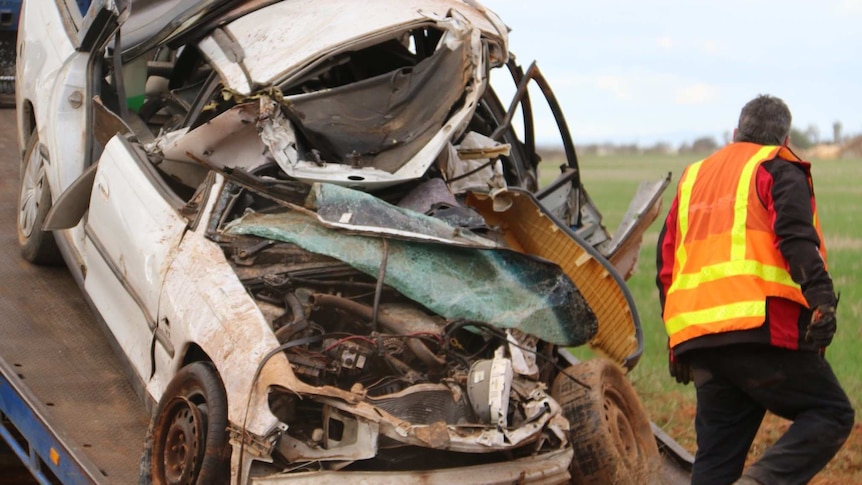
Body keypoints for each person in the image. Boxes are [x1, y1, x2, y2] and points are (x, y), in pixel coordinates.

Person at [655, 94, 854, 485]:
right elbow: (795, 237)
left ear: (735, 133)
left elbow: (667, 266)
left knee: (715, 461)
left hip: (702, 343)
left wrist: (676, 342)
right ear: (784, 139)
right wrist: (823, 301)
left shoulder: (693, 177)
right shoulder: (776, 166)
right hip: (762, 332)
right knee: (831, 413)